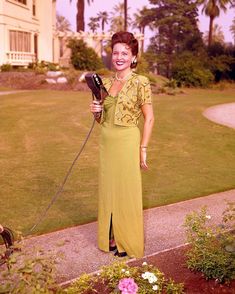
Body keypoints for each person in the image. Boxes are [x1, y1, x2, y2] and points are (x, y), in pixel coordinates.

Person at [90, 31, 154, 258]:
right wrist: (96, 112)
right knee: (109, 190)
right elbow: (102, 121)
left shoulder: (140, 82)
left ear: (133, 57)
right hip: (107, 141)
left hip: (127, 142)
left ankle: (126, 241)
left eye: (124, 53)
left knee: (126, 190)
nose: (119, 57)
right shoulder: (105, 83)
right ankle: (110, 237)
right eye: (115, 52)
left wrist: (143, 148)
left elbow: (149, 118)